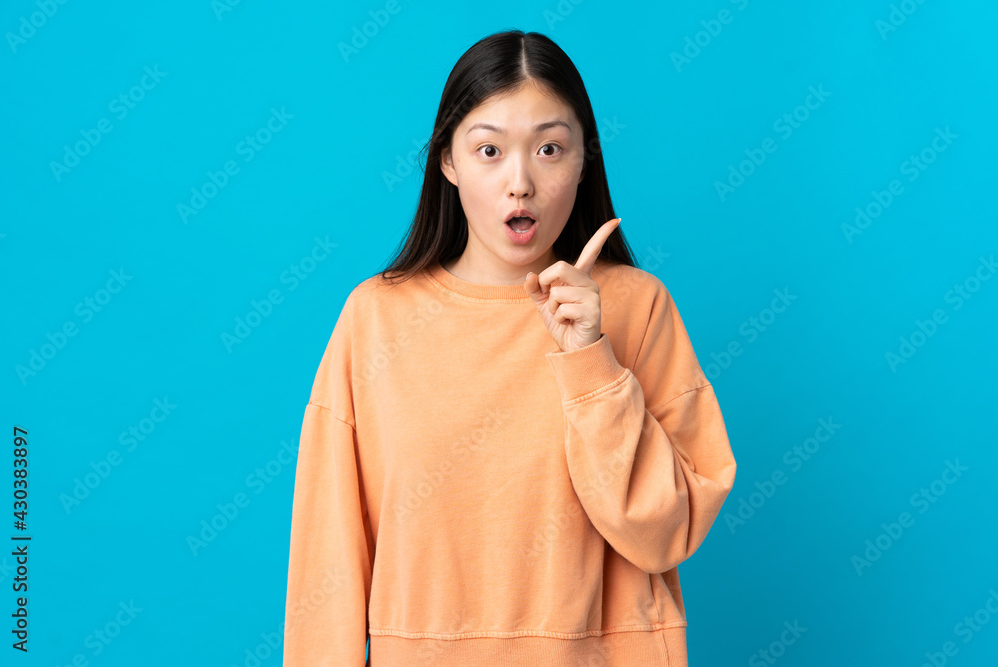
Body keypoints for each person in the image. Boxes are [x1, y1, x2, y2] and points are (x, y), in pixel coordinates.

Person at [282, 29, 737, 666]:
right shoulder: (375, 319)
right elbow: (324, 562)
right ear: (448, 161)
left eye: (550, 148)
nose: (519, 182)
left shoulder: (636, 308)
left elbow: (665, 532)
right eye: (489, 149)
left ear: (585, 161)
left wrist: (590, 359)